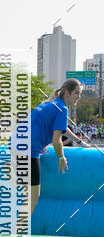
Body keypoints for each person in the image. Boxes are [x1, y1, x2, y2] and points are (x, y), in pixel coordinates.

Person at [30, 78, 83, 216]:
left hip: (15, 146)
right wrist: (61, 157)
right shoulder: (62, 108)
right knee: (33, 197)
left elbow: (63, 129)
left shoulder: (52, 104)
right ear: (67, 93)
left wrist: (79, 141)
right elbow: (56, 140)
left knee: (24, 195)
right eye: (77, 93)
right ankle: (17, 232)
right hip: (28, 152)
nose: (79, 97)